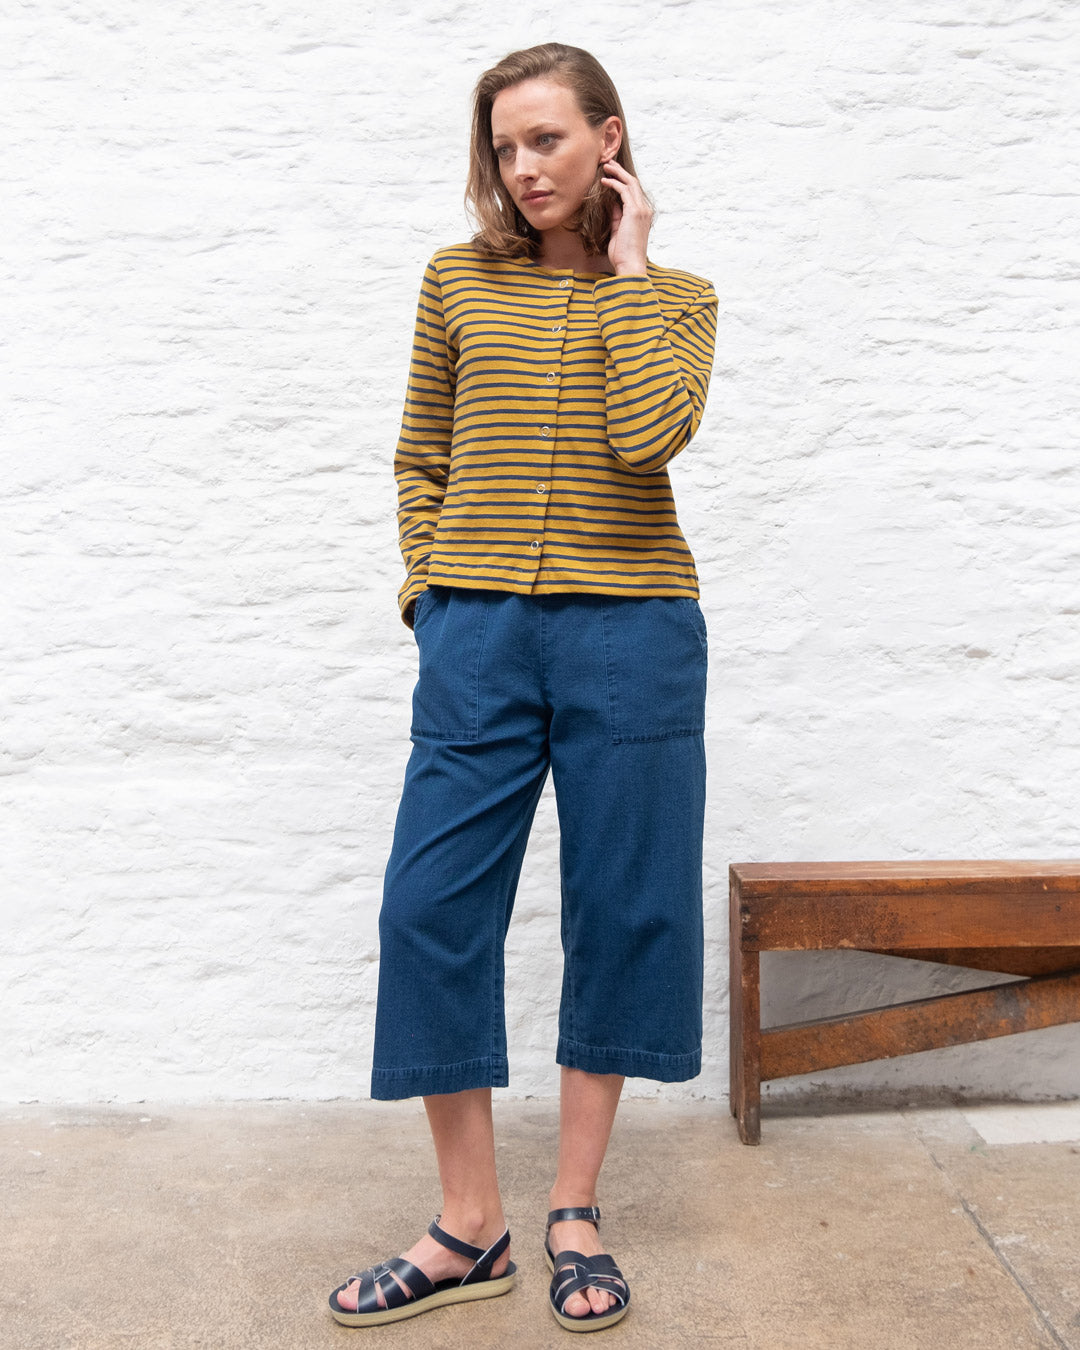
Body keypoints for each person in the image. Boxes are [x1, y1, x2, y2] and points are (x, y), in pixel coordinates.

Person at [329, 42, 717, 1334]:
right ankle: (469, 1223)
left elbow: (646, 436)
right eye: (503, 147)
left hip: (633, 629)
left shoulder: (678, 299)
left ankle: (573, 1209)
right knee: (427, 906)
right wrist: (430, 601)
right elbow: (419, 456)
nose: (523, 167)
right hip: (479, 632)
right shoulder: (457, 282)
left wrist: (630, 271)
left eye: (546, 138)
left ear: (610, 137)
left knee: (622, 910)